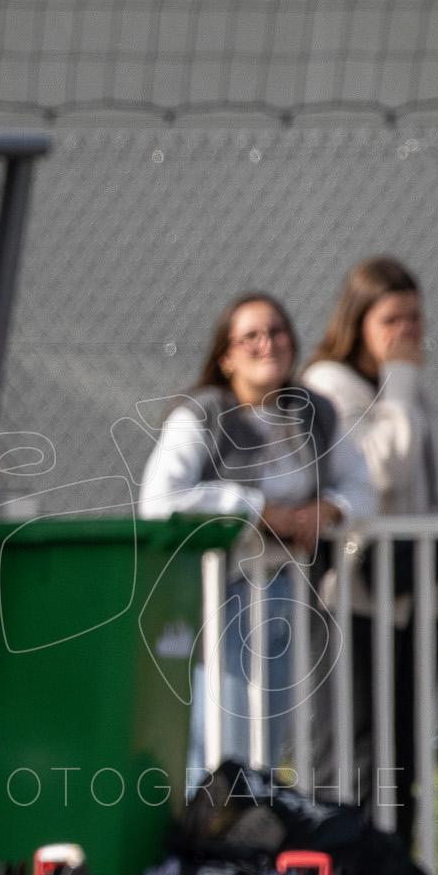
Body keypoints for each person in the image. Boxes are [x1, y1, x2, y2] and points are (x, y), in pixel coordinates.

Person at [138, 292, 374, 779]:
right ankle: (208, 847)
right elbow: (158, 500)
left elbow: (363, 487)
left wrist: (328, 509)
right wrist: (258, 511)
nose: (268, 344)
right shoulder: (201, 413)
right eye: (251, 336)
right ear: (225, 356)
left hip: (284, 592)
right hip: (216, 593)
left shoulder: (313, 413)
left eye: (278, 332)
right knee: (220, 742)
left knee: (268, 741)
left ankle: (251, 845)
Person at [299, 258, 438, 845]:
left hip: (419, 592)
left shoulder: (407, 386)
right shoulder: (331, 385)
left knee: (407, 746)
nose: (407, 332)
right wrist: (399, 381)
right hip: (356, 594)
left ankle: (395, 872)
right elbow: (383, 470)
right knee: (354, 741)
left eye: (416, 318)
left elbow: (430, 477)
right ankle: (341, 873)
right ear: (358, 321)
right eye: (391, 319)